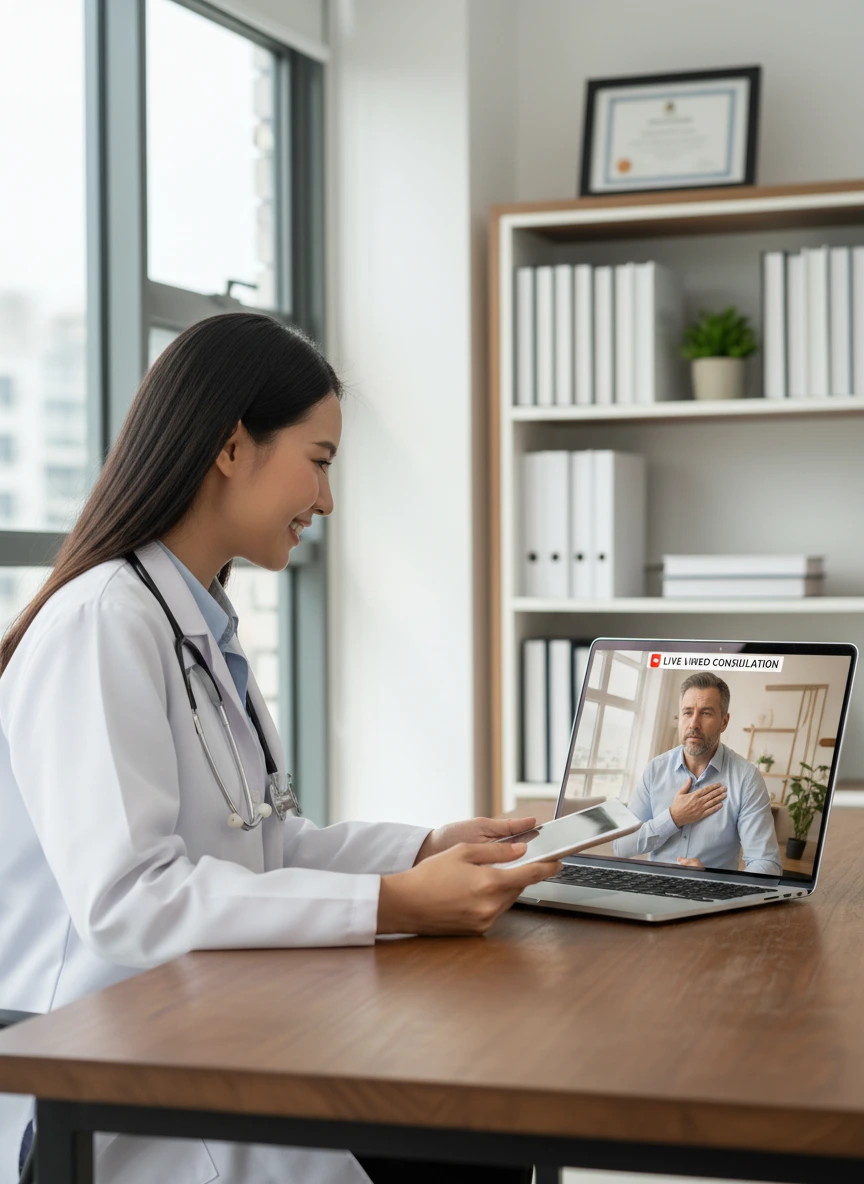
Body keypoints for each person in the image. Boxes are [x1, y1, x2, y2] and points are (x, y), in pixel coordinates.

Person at [0, 314, 560, 1184]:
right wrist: (397, 904)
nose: (327, 502)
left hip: (210, 1031)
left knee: (485, 1132)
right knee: (469, 1142)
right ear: (232, 447)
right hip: (104, 1080)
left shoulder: (194, 624)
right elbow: (130, 904)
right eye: (321, 460)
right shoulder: (103, 623)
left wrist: (426, 848)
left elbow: (263, 844)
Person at [612, 671, 782, 876]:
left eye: (706, 713)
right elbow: (621, 846)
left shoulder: (746, 779)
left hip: (714, 898)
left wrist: (710, 880)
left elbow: (767, 864)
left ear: (724, 722)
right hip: (653, 890)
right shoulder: (655, 770)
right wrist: (673, 818)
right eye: (687, 712)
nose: (693, 724)